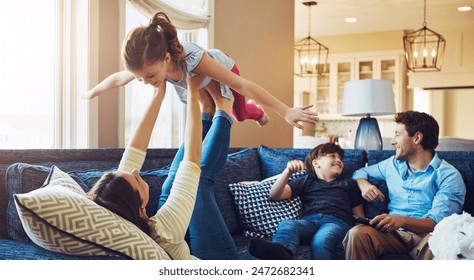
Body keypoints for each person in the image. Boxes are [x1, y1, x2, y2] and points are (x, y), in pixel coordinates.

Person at [84, 11, 318, 129]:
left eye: (150, 76)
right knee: (206, 105)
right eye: (140, 78)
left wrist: (284, 110)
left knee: (238, 114)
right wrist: (93, 91)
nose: (145, 82)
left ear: (166, 59)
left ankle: (255, 112)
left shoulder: (193, 59)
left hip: (222, 65)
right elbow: (117, 79)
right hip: (197, 80)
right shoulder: (149, 66)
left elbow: (242, 84)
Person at [87, 74, 209, 259]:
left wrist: (158, 94)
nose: (135, 171)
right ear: (141, 210)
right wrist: (192, 90)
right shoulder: (166, 232)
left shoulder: (118, 213)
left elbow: (134, 150)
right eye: (135, 178)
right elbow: (192, 159)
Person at [343, 110, 467, 260]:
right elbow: (359, 172)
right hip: (394, 235)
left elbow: (437, 223)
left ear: (417, 138)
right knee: (357, 233)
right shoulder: (392, 165)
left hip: (427, 237)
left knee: (442, 243)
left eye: (397, 134)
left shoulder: (449, 176)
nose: (392, 141)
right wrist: (363, 185)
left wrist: (401, 220)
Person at [249, 143, 365, 260]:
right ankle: (281, 252)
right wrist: (287, 172)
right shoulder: (307, 180)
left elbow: (359, 215)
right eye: (332, 156)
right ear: (316, 163)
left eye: (340, 158)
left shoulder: (348, 183)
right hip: (309, 222)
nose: (338, 160)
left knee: (321, 240)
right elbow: (274, 195)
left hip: (336, 223)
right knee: (288, 224)